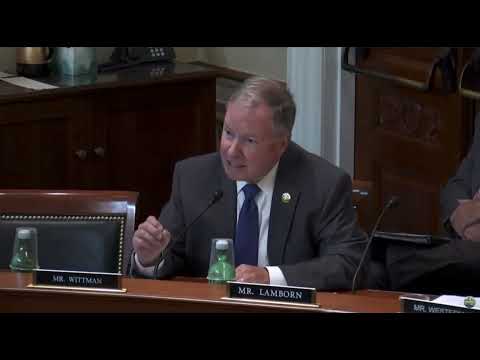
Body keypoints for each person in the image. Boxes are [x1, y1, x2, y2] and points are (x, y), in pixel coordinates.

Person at [130, 76, 368, 290]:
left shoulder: (324, 184)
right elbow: (170, 255)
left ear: (281, 145)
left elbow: (349, 262)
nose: (232, 151)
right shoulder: (193, 177)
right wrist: (149, 257)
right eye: (228, 133)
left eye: (249, 140)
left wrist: (269, 277)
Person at [386, 113, 480, 295]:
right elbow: (456, 184)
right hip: (467, 237)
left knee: (401, 264)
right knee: (392, 249)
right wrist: (459, 215)